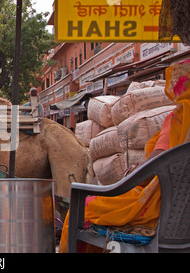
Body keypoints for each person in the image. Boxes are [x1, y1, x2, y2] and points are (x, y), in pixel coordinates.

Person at [59, 58, 190, 252]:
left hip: (159, 211)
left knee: (84, 206)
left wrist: (134, 173)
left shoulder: (178, 119)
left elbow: (156, 166)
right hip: (182, 216)